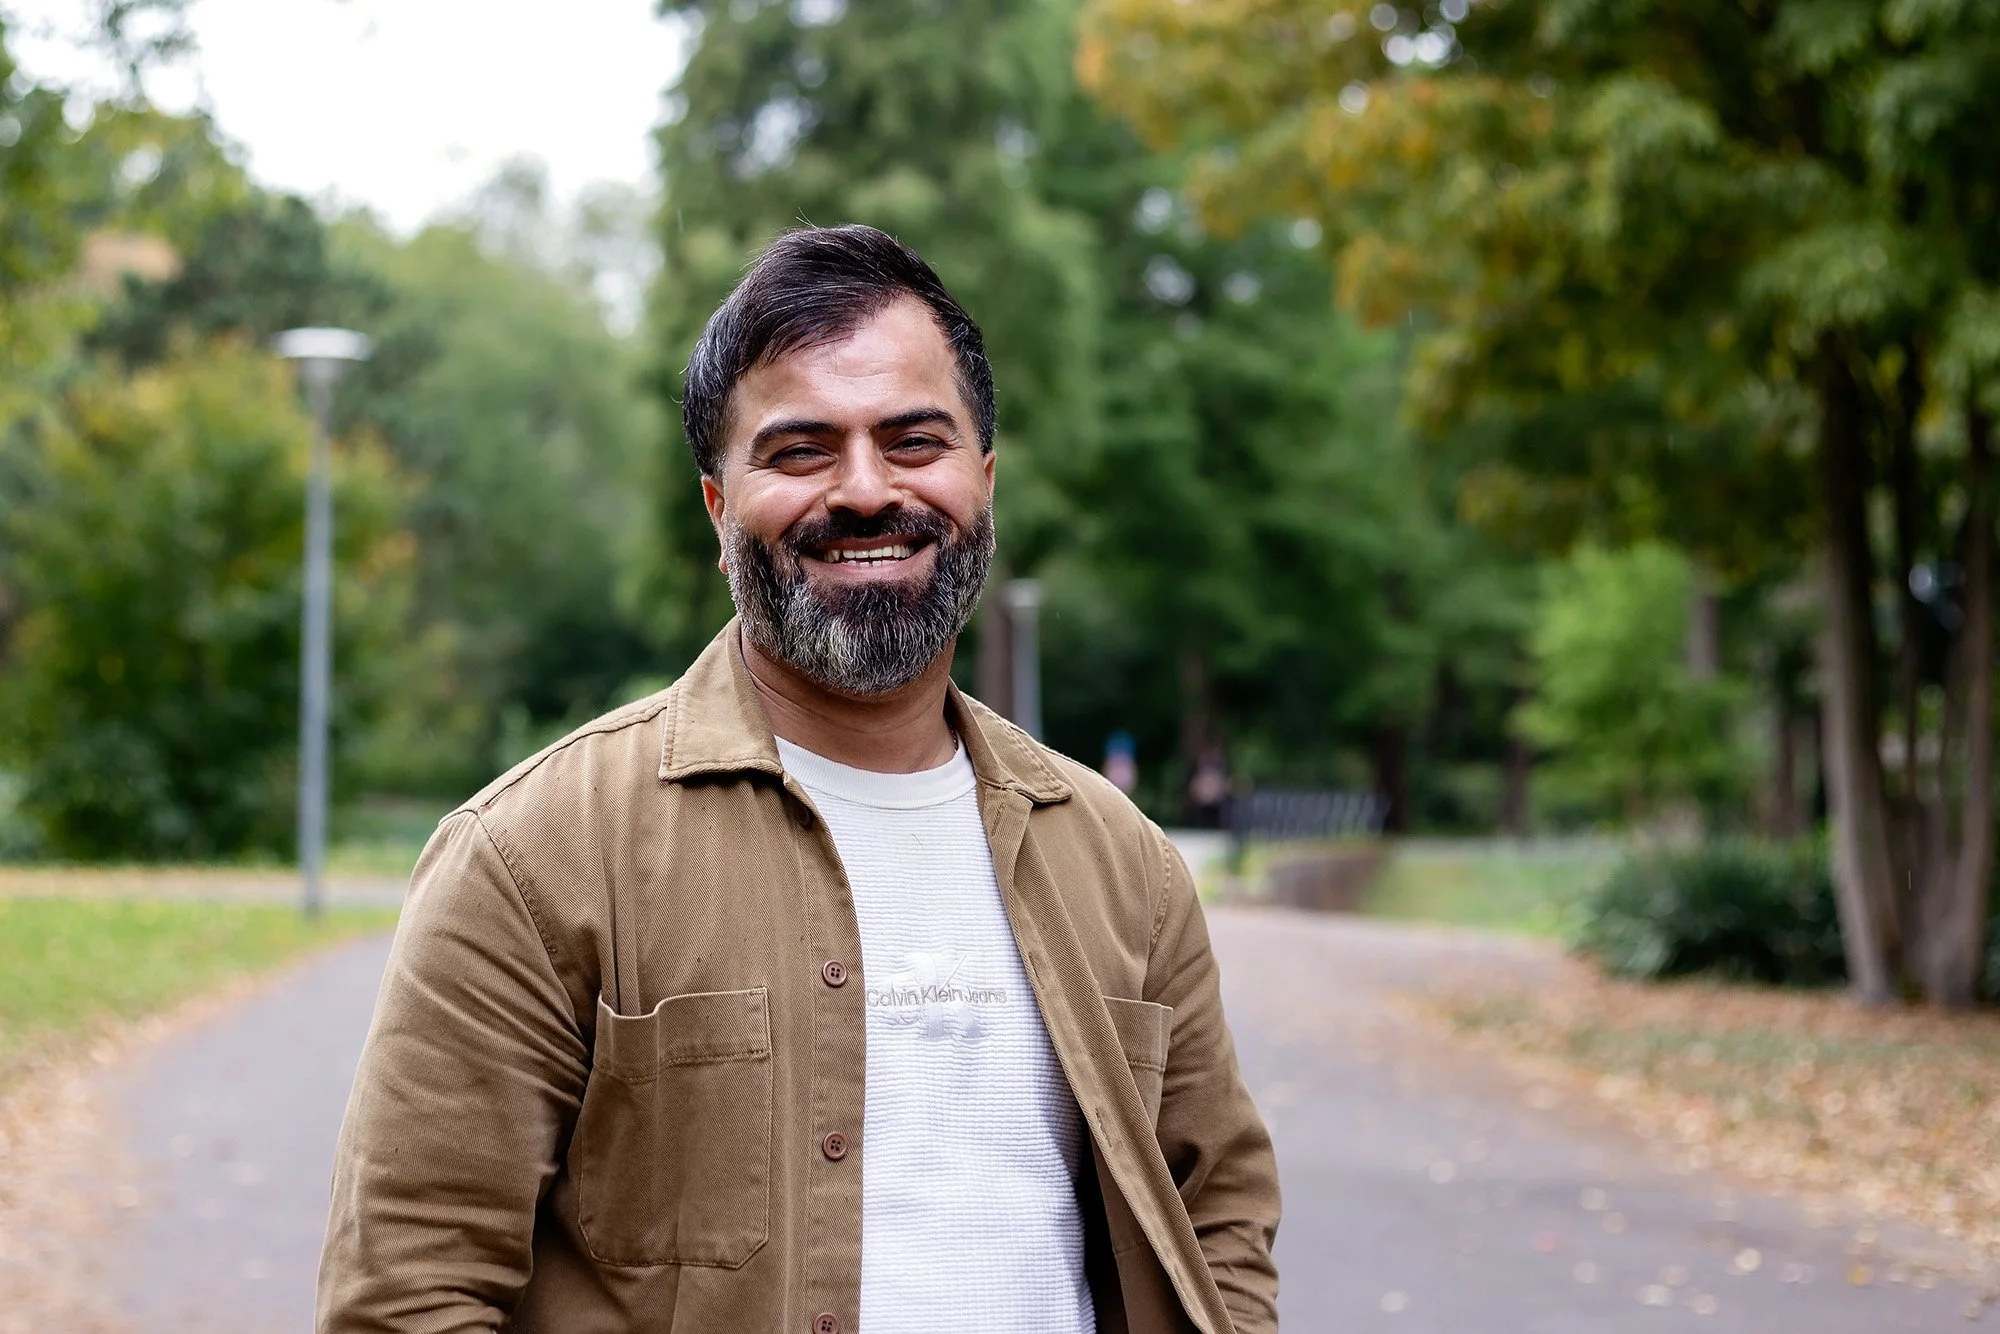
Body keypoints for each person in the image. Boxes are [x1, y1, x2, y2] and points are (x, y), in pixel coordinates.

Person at [317, 224, 1279, 1334]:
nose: (866, 491)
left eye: (914, 440)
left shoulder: (1121, 861)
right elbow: (408, 1288)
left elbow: (1220, 1213)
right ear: (720, 510)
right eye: (800, 449)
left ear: (984, 479)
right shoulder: (534, 857)